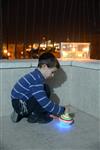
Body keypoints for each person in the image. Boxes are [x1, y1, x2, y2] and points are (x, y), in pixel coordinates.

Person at [11, 52, 68, 124]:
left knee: (45, 88)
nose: (53, 75)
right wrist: (61, 110)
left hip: (18, 102)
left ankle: (20, 112)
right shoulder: (36, 80)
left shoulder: (34, 75)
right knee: (44, 93)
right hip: (20, 105)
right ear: (44, 66)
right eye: (52, 72)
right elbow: (44, 102)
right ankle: (33, 116)